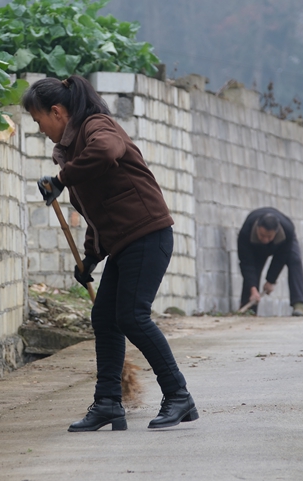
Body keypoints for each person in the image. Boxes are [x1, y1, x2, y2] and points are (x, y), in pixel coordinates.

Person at [22, 75, 197, 432]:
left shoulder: (96, 127)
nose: (39, 128)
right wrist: (90, 258)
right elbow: (97, 212)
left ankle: (179, 396)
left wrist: (62, 179)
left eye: (39, 120)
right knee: (105, 317)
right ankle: (107, 404)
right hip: (125, 243)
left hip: (147, 234)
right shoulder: (72, 152)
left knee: (132, 316)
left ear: (57, 111)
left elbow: (107, 151)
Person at [237, 207, 303, 316]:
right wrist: (253, 289)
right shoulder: (246, 232)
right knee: (253, 272)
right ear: (257, 228)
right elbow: (246, 262)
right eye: (262, 235)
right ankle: (248, 310)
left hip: (281, 245)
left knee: (295, 260)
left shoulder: (287, 230)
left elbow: (281, 257)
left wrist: (271, 280)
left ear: (276, 232)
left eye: (269, 236)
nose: (265, 240)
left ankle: (299, 304)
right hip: (255, 246)